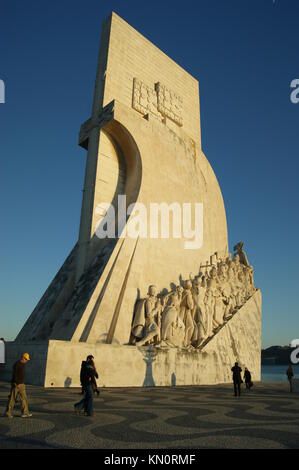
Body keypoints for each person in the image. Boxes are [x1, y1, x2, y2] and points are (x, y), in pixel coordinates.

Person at [5, 353, 32, 418]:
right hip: (17, 384)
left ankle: (25, 413)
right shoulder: (17, 364)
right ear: (22, 358)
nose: (26, 361)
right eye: (26, 359)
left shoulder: (22, 364)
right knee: (12, 399)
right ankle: (8, 412)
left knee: (24, 399)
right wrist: (17, 383)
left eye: (27, 359)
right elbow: (15, 375)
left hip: (21, 384)